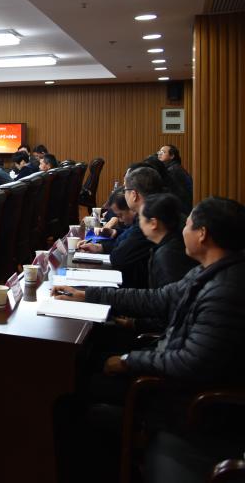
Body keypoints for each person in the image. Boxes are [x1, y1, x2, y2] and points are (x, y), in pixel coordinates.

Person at [52, 197, 245, 482]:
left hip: (188, 406)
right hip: (172, 386)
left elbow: (191, 363)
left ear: (203, 234)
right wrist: (86, 294)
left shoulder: (224, 292)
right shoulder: (208, 272)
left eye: (188, 224)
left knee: (71, 402)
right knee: (78, 378)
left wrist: (129, 361)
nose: (182, 230)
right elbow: (155, 299)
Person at [77, 166, 164, 289]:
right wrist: (102, 245)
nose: (123, 192)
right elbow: (128, 241)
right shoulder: (155, 211)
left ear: (134, 195)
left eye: (125, 189)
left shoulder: (149, 220)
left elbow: (119, 257)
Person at [139, 192, 194, 289]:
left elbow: (169, 296)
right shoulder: (176, 242)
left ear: (153, 223)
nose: (139, 223)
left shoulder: (167, 255)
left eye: (140, 218)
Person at [157, 144, 193, 213]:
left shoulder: (172, 170)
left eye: (163, 152)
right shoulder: (173, 167)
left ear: (172, 156)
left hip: (182, 209)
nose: (160, 154)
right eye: (159, 152)